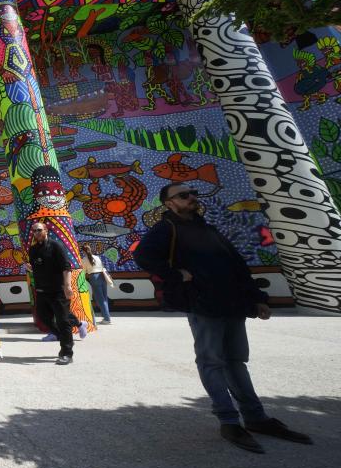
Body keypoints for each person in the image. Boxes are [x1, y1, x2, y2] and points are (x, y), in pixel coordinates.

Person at [134, 182, 312, 453]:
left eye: (193, 193)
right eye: (184, 195)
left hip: (232, 304)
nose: (192, 197)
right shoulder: (166, 229)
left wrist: (257, 298)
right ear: (169, 203)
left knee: (236, 361)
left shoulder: (208, 229)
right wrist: (176, 275)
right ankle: (229, 420)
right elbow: (143, 255)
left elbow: (236, 265)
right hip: (203, 304)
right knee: (212, 362)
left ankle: (255, 417)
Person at [27, 221, 76, 365]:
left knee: (63, 320)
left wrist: (67, 286)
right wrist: (30, 268)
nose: (36, 233)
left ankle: (66, 352)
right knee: (44, 318)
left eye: (39, 230)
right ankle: (64, 338)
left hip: (58, 291)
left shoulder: (56, 246)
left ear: (46, 230)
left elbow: (66, 267)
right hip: (42, 290)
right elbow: (37, 267)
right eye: (34, 231)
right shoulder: (34, 249)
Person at [81, 244, 112, 324]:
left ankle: (107, 319)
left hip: (94, 277)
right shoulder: (97, 257)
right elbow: (102, 266)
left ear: (83, 251)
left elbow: (83, 272)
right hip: (102, 276)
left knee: (100, 299)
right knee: (104, 298)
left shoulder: (84, 259)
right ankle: (107, 317)